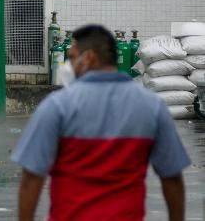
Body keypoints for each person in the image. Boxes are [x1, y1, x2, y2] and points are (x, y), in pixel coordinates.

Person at [11, 25, 190, 221]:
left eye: (71, 58)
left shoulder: (58, 106)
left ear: (87, 58)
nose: (68, 66)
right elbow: (172, 178)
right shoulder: (152, 106)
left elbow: (31, 179)